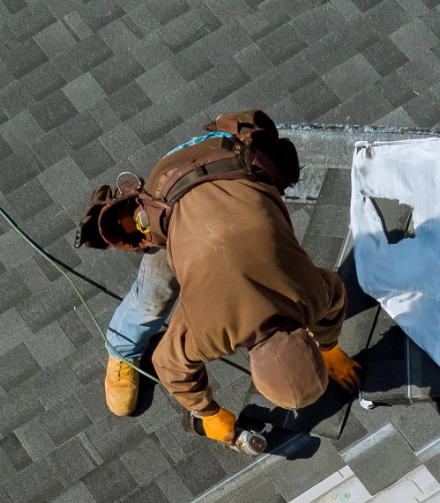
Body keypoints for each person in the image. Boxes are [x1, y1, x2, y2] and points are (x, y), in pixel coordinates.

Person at [102, 112, 360, 445]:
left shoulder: (310, 297)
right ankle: (122, 349)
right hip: (171, 186)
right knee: (156, 295)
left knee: (184, 276)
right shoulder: (211, 334)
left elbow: (335, 294)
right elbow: (169, 364)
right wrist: (207, 413)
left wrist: (329, 347)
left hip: (228, 153)